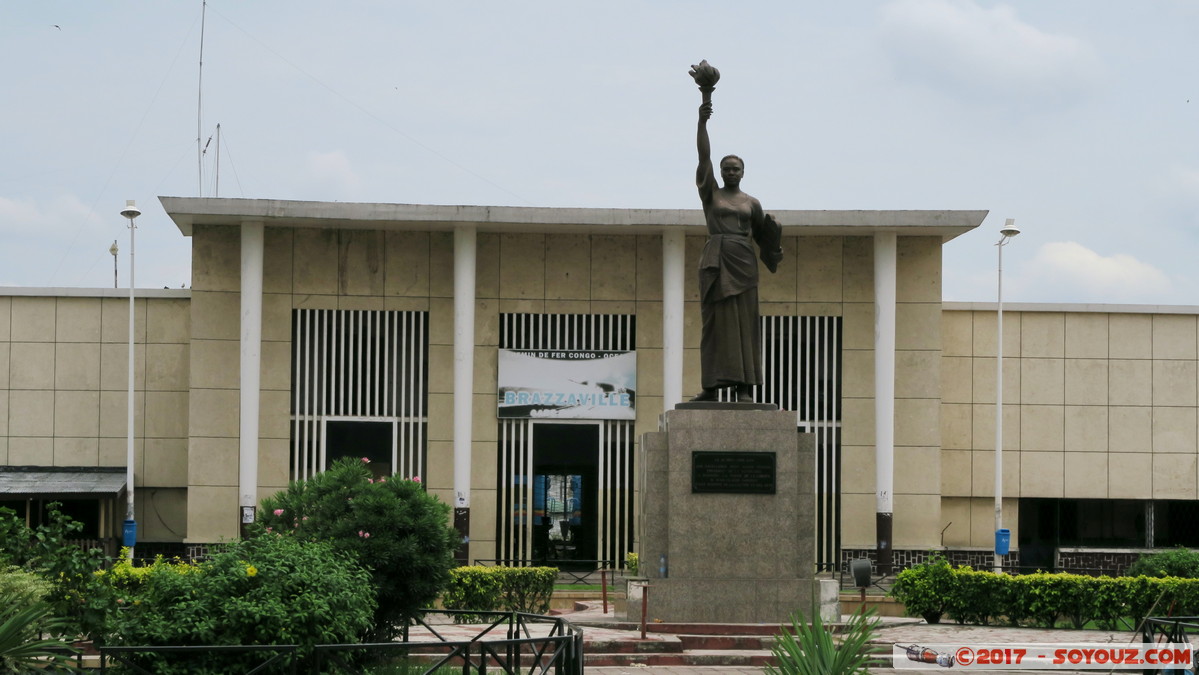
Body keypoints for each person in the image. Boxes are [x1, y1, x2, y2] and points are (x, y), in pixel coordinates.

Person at [690, 100, 782, 402]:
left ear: (743, 172)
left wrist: (774, 242)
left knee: (745, 325)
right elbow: (703, 156)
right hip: (716, 263)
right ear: (720, 171)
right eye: (726, 168)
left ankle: (744, 388)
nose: (731, 171)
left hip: (743, 264)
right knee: (714, 325)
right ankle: (711, 387)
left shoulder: (751, 203)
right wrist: (702, 121)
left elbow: (763, 235)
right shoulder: (711, 195)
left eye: (736, 168)